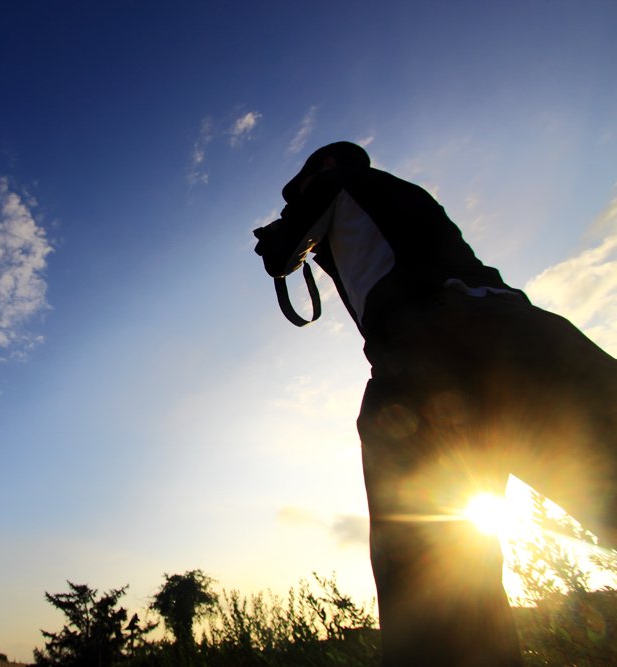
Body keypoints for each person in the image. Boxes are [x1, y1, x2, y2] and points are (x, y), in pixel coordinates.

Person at [253, 142, 617, 666]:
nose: (298, 198)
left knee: (436, 591)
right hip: (527, 331)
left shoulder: (337, 183)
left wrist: (279, 236)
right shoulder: (405, 193)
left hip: (422, 360)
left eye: (301, 188)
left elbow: (280, 255)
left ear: (327, 165)